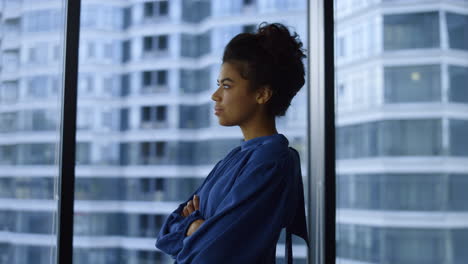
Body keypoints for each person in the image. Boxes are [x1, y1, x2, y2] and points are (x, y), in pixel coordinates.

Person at [155, 22, 309, 263]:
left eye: (226, 85)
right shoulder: (235, 158)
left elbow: (214, 254)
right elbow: (167, 232)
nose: (215, 96)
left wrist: (193, 227)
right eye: (218, 85)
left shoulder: (269, 163)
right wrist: (195, 228)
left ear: (262, 94)